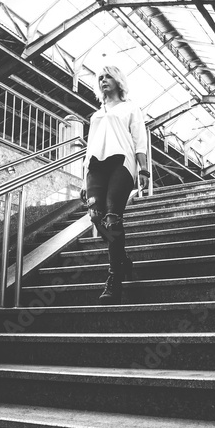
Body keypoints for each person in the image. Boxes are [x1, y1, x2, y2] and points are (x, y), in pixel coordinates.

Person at [83, 65, 149, 304]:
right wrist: (84, 180)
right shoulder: (96, 115)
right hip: (95, 168)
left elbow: (139, 139)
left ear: (118, 80)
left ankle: (114, 276)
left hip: (121, 163)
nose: (103, 80)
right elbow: (90, 148)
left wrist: (144, 169)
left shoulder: (130, 107)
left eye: (108, 76)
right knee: (95, 217)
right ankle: (123, 259)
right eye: (100, 78)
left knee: (112, 218)